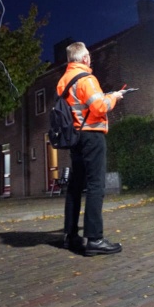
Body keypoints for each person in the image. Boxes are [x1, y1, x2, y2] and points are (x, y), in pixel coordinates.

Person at [59, 42, 125, 256]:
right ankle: (95, 239)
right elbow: (99, 107)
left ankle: (70, 235)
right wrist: (113, 97)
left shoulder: (63, 81)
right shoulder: (87, 79)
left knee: (75, 187)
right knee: (96, 185)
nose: (91, 59)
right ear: (84, 58)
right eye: (89, 56)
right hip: (92, 136)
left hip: (75, 137)